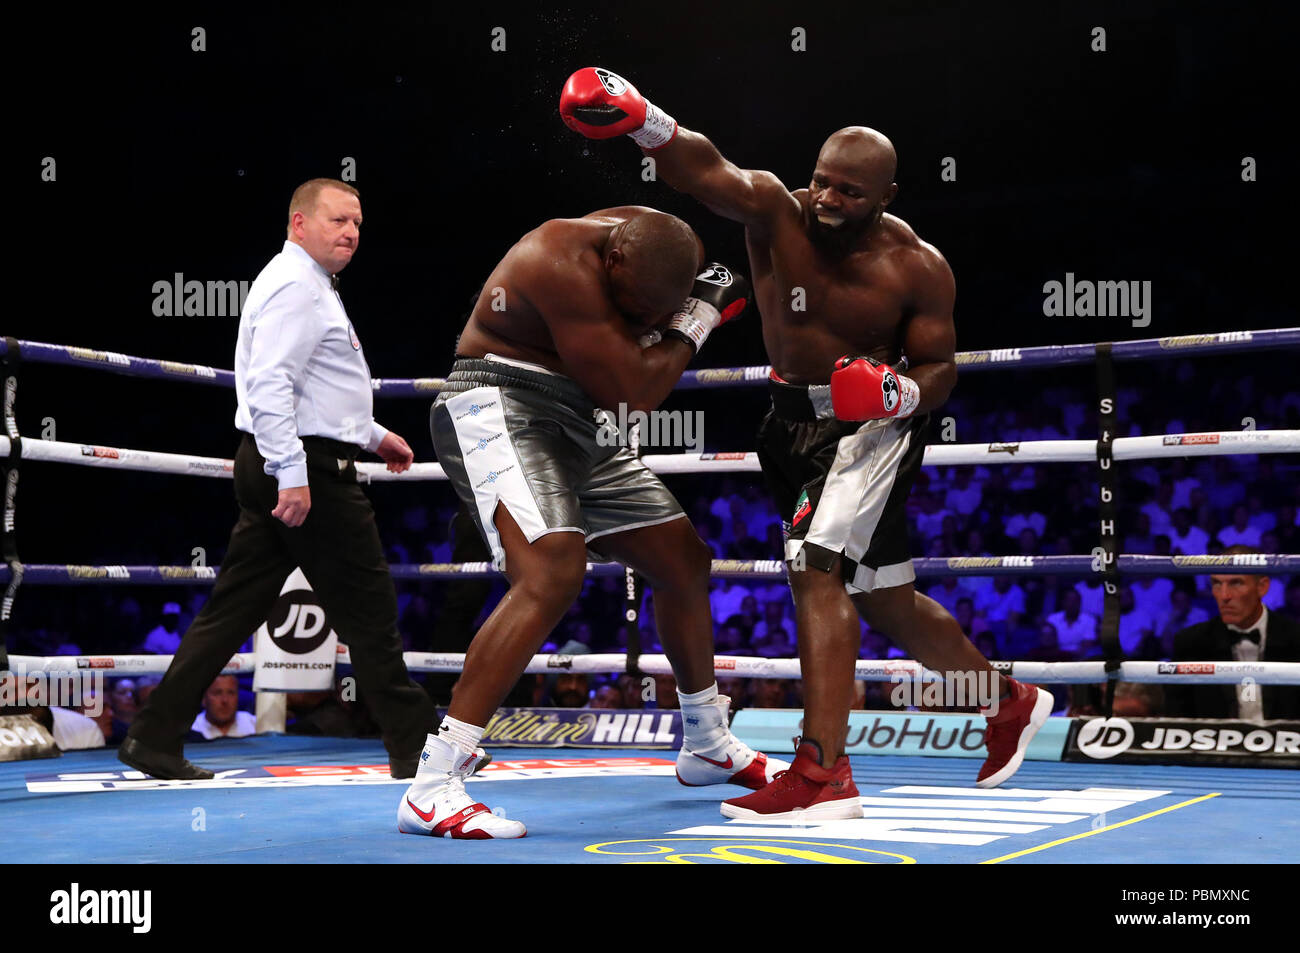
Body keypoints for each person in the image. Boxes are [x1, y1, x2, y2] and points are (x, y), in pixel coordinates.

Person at [561, 68, 1052, 820]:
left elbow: (940, 367)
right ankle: (1006, 702)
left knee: (815, 568)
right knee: (884, 597)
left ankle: (823, 773)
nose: (826, 199)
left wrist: (901, 392)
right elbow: (704, 169)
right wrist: (641, 120)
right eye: (822, 182)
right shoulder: (775, 214)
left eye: (849, 191)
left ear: (886, 196)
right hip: (786, 423)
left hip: (869, 432)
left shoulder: (916, 266)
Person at [397, 206, 786, 840]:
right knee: (551, 572)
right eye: (635, 309)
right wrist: (700, 316)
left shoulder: (654, 245)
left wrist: (673, 313)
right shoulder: (559, 259)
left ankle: (708, 743)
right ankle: (434, 782)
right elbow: (634, 390)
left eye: (658, 313)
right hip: (501, 402)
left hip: (581, 424)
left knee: (683, 560)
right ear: (612, 263)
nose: (645, 323)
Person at [121, 178, 442, 782]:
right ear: (299, 224)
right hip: (304, 470)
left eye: (357, 224)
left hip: (292, 460)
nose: (350, 233)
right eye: (337, 220)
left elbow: (314, 388)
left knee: (233, 610)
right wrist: (292, 474)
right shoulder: (297, 287)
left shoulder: (308, 285)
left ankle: (154, 735)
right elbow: (268, 385)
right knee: (370, 609)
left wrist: (372, 435)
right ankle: (417, 744)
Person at [1165, 548, 1300, 720]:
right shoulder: (1191, 642)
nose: (1224, 595)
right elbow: (1178, 716)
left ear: (1262, 587)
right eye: (1216, 583)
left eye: (1236, 583)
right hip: (1214, 744)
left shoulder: (1295, 638)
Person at [190, 675, 258, 740]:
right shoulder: (190, 730)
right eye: (217, 693)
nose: (225, 700)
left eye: (231, 693)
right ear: (203, 699)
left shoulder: (255, 726)